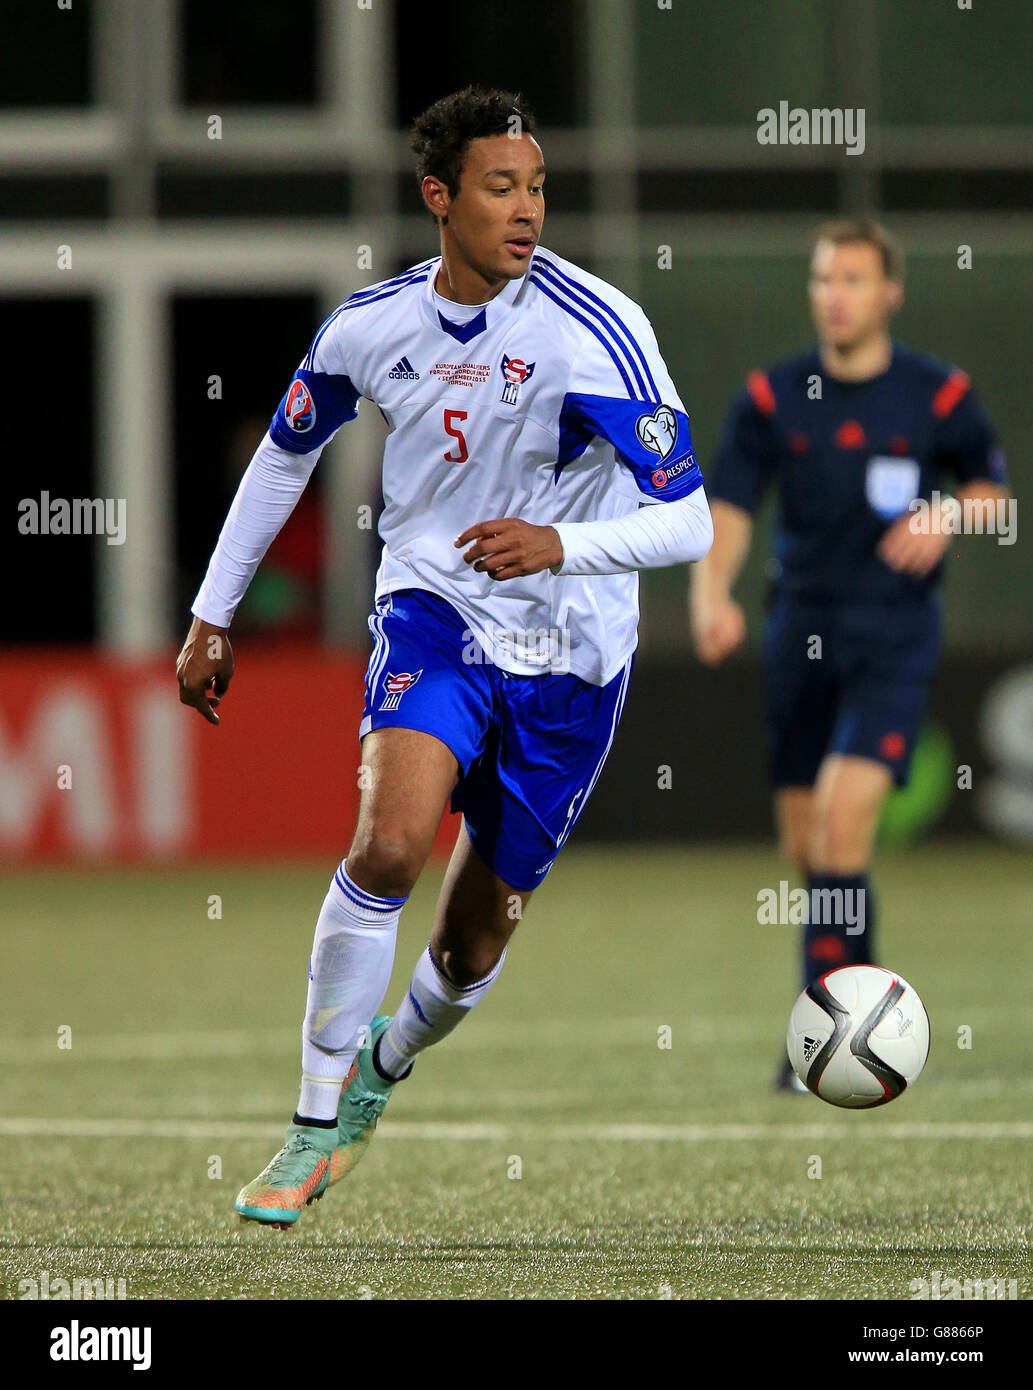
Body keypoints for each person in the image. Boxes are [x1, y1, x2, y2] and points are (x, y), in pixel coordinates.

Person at [176, 86, 713, 1225]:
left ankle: (385, 1065)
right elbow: (283, 456)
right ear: (440, 198)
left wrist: (560, 539)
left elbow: (689, 521)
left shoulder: (596, 331)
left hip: (571, 654)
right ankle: (310, 1126)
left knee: (470, 949)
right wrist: (212, 613)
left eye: (539, 189)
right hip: (437, 615)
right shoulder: (370, 326)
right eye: (501, 188)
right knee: (388, 844)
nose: (527, 211)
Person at [689, 218, 1009, 1091]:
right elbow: (732, 507)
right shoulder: (772, 395)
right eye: (824, 279)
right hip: (797, 632)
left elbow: (993, 492)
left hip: (892, 638)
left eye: (854, 280)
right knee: (811, 847)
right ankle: (867, 1004)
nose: (835, 294)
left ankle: (819, 1035)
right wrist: (710, 590)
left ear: (889, 293)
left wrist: (949, 514)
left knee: (839, 824)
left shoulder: (935, 396)